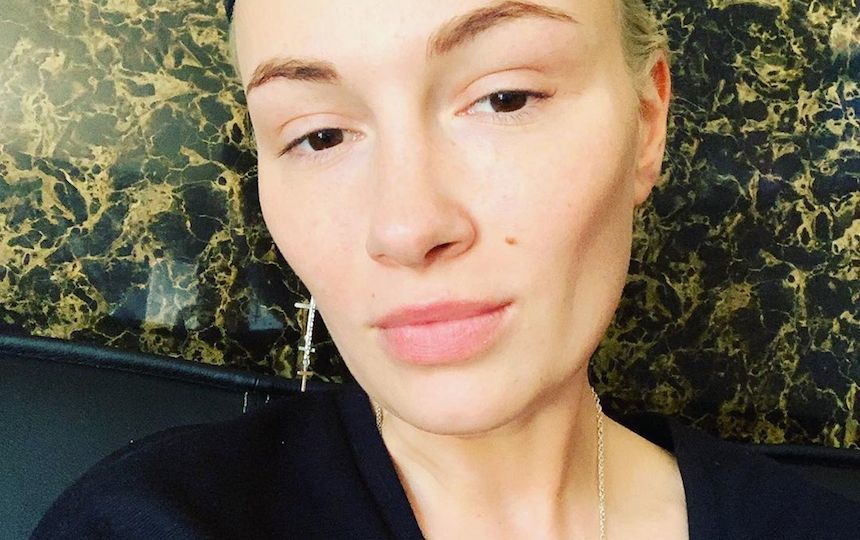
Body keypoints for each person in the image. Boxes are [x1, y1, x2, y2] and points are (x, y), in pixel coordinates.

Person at [32, 1, 860, 538]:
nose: (406, 227)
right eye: (319, 135)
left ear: (646, 122)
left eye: (505, 98)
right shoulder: (153, 522)